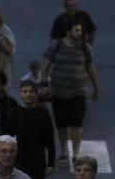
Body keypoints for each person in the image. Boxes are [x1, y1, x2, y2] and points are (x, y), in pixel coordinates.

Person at [41, 20, 101, 163]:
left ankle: (76, 153)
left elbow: (90, 68)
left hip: (78, 92)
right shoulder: (57, 45)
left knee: (77, 122)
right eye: (76, 31)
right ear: (68, 32)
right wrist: (44, 84)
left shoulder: (84, 47)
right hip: (58, 91)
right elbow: (45, 66)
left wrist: (96, 88)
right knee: (61, 123)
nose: (79, 33)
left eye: (80, 31)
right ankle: (64, 151)